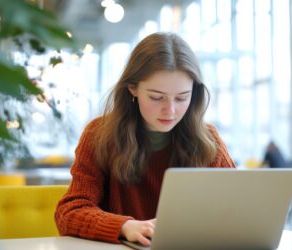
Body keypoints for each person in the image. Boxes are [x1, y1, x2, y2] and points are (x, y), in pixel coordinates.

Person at [54, 32, 236, 247]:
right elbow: (70, 212)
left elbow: (235, 207)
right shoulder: (99, 135)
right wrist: (124, 226)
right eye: (157, 97)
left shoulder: (208, 139)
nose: (170, 110)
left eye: (181, 97)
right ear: (133, 88)